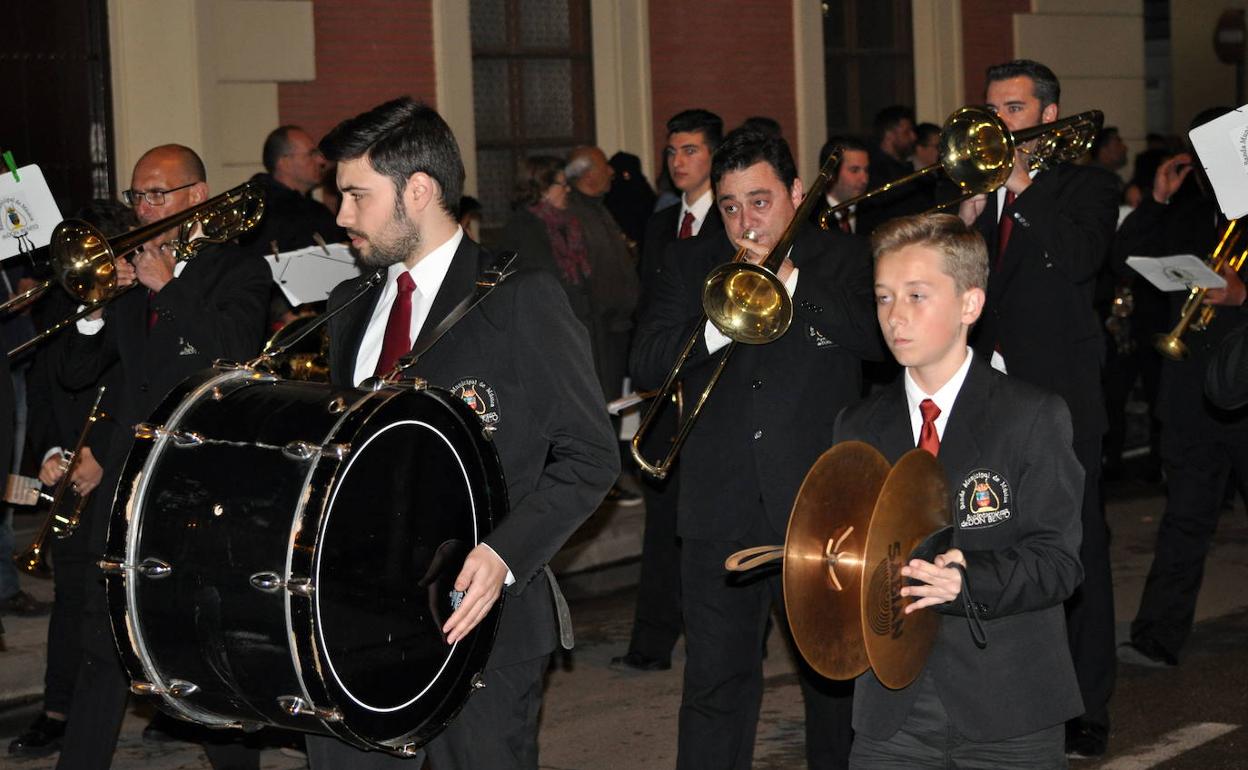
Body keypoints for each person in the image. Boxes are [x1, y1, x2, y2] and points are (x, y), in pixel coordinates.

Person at [308, 97, 618, 769]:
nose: (341, 217)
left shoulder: (519, 297)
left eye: (357, 195)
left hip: (481, 636)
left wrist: (504, 554)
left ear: (417, 190)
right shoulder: (347, 306)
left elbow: (591, 456)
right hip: (354, 634)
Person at [631, 127, 881, 769]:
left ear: (797, 193)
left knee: (836, 685)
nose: (745, 221)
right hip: (721, 509)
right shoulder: (691, 264)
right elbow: (649, 360)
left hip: (822, 509)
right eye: (731, 205)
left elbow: (878, 343)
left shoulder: (845, 259)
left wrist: (793, 282)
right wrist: (720, 320)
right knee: (715, 686)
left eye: (761, 201)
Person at [51, 143, 273, 770]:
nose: (143, 206)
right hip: (126, 483)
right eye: (137, 195)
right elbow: (72, 373)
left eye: (156, 194)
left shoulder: (240, 270)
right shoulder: (129, 272)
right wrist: (94, 308)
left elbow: (231, 354)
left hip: (196, 484)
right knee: (103, 643)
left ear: (197, 197)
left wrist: (169, 288)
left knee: (197, 647)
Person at [841, 212, 1085, 768]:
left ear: (969, 306)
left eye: (917, 296)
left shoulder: (1031, 416)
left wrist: (968, 580)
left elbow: (1059, 562)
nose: (895, 316)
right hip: (892, 712)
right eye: (882, 298)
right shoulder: (857, 427)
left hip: (1009, 707)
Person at [957, 58, 1120, 758]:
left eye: (1015, 110)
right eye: (992, 110)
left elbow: (1080, 259)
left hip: (1059, 396)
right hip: (984, 396)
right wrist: (962, 222)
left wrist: (1019, 191)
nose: (1000, 123)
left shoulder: (1087, 185)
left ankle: (1087, 706)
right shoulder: (975, 190)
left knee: (1075, 546)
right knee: (985, 539)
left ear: (1049, 117)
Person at [1114, 114, 1248, 671]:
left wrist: (1244, 295)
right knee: (1185, 518)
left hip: (1244, 394)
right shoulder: (1186, 212)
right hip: (1192, 393)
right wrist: (1158, 201)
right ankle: (1157, 636)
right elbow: (1122, 257)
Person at [7, 201, 131, 759]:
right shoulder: (60, 303)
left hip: (116, 465)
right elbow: (45, 387)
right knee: (71, 593)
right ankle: (58, 709)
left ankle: (105, 704)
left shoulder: (140, 304)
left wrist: (98, 456)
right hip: (70, 465)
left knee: (112, 601)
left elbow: (135, 391)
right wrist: (53, 453)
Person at [613, 108, 724, 674]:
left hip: (710, 389)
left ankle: (720, 639)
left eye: (691, 151)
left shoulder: (727, 224)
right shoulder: (661, 224)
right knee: (660, 518)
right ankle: (651, 641)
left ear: (714, 156)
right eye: (673, 151)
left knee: (708, 519)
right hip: (663, 390)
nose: (678, 161)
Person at [236, 125, 344, 258]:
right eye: (311, 154)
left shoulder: (317, 210)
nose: (320, 160)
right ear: (285, 163)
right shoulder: (259, 211)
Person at [811, 136, 870, 234]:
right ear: (831, 174)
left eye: (866, 170)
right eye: (854, 170)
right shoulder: (811, 216)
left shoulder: (873, 212)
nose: (864, 179)